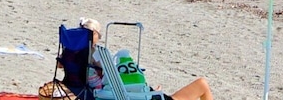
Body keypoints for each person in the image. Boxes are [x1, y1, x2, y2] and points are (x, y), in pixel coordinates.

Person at [79, 18, 213, 100]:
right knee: (202, 84)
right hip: (131, 95)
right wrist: (151, 92)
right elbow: (114, 79)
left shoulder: (72, 55)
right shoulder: (97, 55)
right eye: (99, 35)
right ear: (94, 34)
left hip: (111, 93)